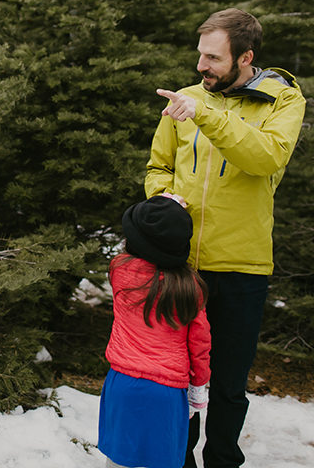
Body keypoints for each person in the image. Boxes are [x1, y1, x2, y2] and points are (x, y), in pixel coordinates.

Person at [145, 8, 306, 468]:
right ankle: (177, 459)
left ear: (245, 57)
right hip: (181, 264)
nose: (201, 67)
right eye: (200, 55)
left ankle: (221, 460)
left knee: (228, 381)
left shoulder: (282, 100)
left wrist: (206, 115)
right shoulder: (186, 98)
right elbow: (159, 165)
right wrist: (164, 203)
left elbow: (265, 158)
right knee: (178, 376)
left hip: (241, 266)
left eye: (213, 58)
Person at [98, 195, 211, 468]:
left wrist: (160, 208)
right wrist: (198, 387)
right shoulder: (190, 288)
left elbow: (138, 251)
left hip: (122, 383)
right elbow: (200, 342)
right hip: (167, 391)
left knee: (119, 461)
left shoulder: (120, 270)